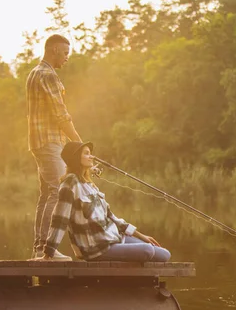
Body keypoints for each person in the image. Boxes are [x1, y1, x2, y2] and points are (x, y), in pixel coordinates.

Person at [38, 141, 171, 262]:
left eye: (90, 153)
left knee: (164, 254)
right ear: (75, 157)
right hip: (96, 248)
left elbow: (112, 218)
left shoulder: (91, 186)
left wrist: (142, 236)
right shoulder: (70, 182)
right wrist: (48, 253)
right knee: (147, 250)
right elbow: (60, 220)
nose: (91, 157)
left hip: (114, 239)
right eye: (86, 154)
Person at [27, 34, 82, 260]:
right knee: (57, 193)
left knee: (46, 194)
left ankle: (40, 249)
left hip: (40, 142)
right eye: (66, 53)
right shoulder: (48, 75)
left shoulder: (34, 73)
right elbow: (61, 115)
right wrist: (79, 144)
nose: (67, 58)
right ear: (54, 50)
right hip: (49, 142)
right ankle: (46, 250)